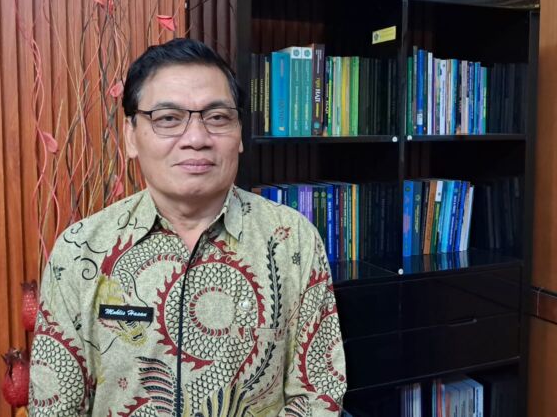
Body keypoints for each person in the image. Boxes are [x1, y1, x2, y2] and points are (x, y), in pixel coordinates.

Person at [29, 38, 346, 416]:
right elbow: (55, 406)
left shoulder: (292, 239)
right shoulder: (80, 249)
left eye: (217, 118)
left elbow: (319, 392)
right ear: (131, 136)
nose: (196, 139)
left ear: (239, 134)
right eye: (168, 118)